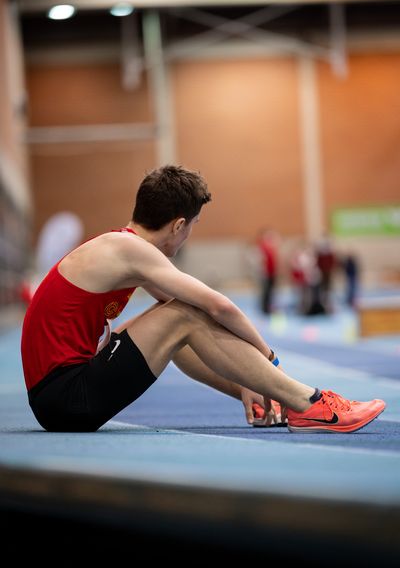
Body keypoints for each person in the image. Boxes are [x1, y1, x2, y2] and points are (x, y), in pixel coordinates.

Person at [21, 165, 385, 433]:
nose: (187, 238)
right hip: (67, 399)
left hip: (58, 396)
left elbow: (183, 331)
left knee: (175, 318)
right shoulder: (132, 251)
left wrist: (249, 383)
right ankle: (309, 402)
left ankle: (271, 399)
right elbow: (217, 306)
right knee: (183, 313)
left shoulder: (119, 247)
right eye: (192, 227)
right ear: (178, 225)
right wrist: (270, 360)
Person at [256, 227, 279, 314]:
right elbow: (261, 261)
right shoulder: (263, 246)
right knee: (266, 291)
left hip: (271, 273)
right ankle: (265, 309)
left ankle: (268, 306)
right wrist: (263, 272)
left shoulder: (270, 247)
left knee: (270, 291)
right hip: (266, 273)